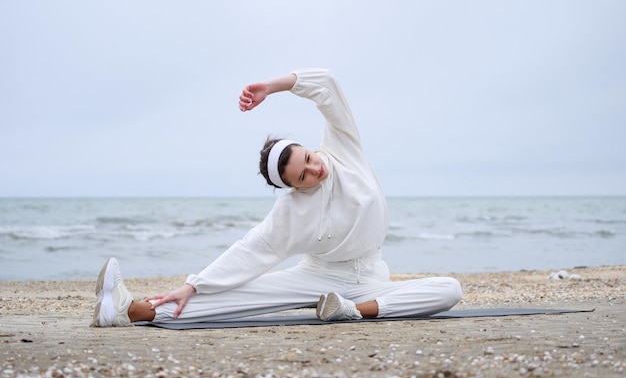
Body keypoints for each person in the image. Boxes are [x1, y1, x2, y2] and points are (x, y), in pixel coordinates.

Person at [92, 68, 463, 328]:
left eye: (308, 159)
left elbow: (327, 85)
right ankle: (129, 310)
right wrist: (194, 284)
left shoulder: (342, 148)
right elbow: (251, 251)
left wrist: (272, 87)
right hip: (318, 277)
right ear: (293, 188)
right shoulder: (290, 210)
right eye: (302, 176)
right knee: (243, 297)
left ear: (307, 147)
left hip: (371, 278)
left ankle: (351, 311)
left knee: (449, 289)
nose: (315, 170)